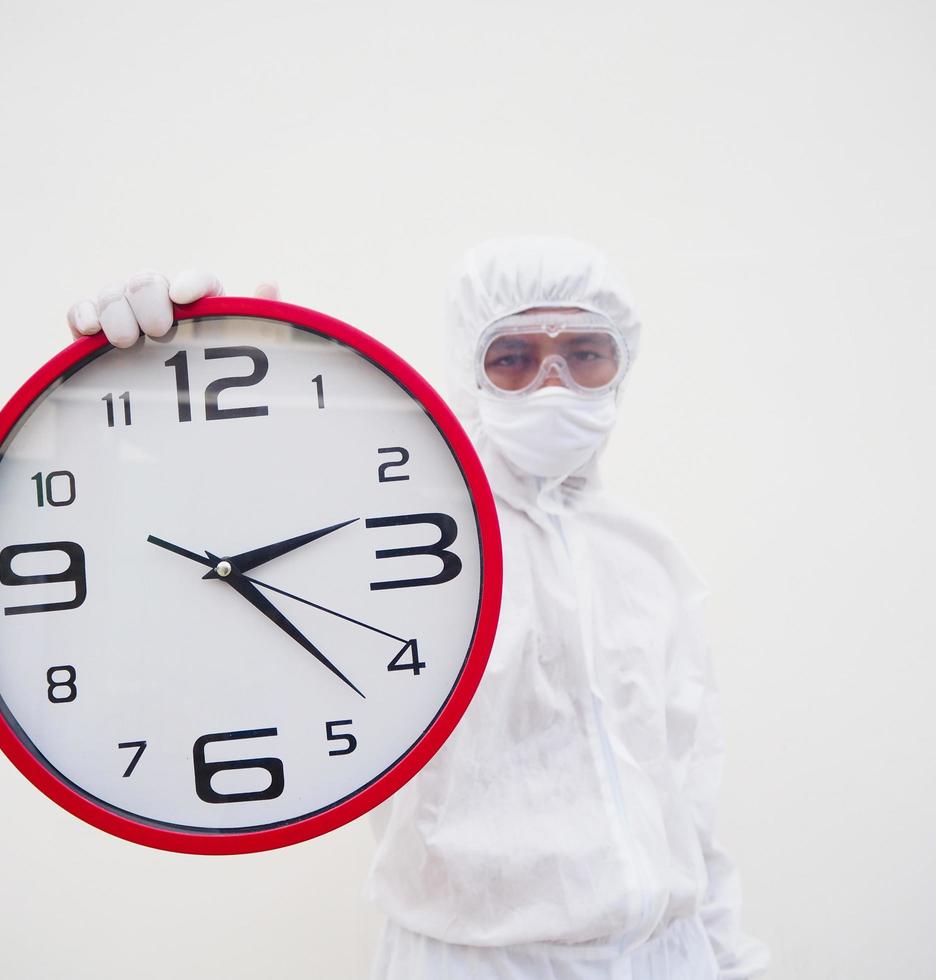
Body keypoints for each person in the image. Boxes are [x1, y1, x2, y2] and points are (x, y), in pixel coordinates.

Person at [67, 236, 769, 980]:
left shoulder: (644, 557)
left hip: (673, 956)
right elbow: (221, 524)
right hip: (475, 965)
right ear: (470, 371)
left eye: (585, 354)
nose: (552, 384)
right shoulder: (401, 540)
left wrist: (731, 960)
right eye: (513, 357)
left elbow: (688, 796)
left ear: (620, 365)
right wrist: (160, 381)